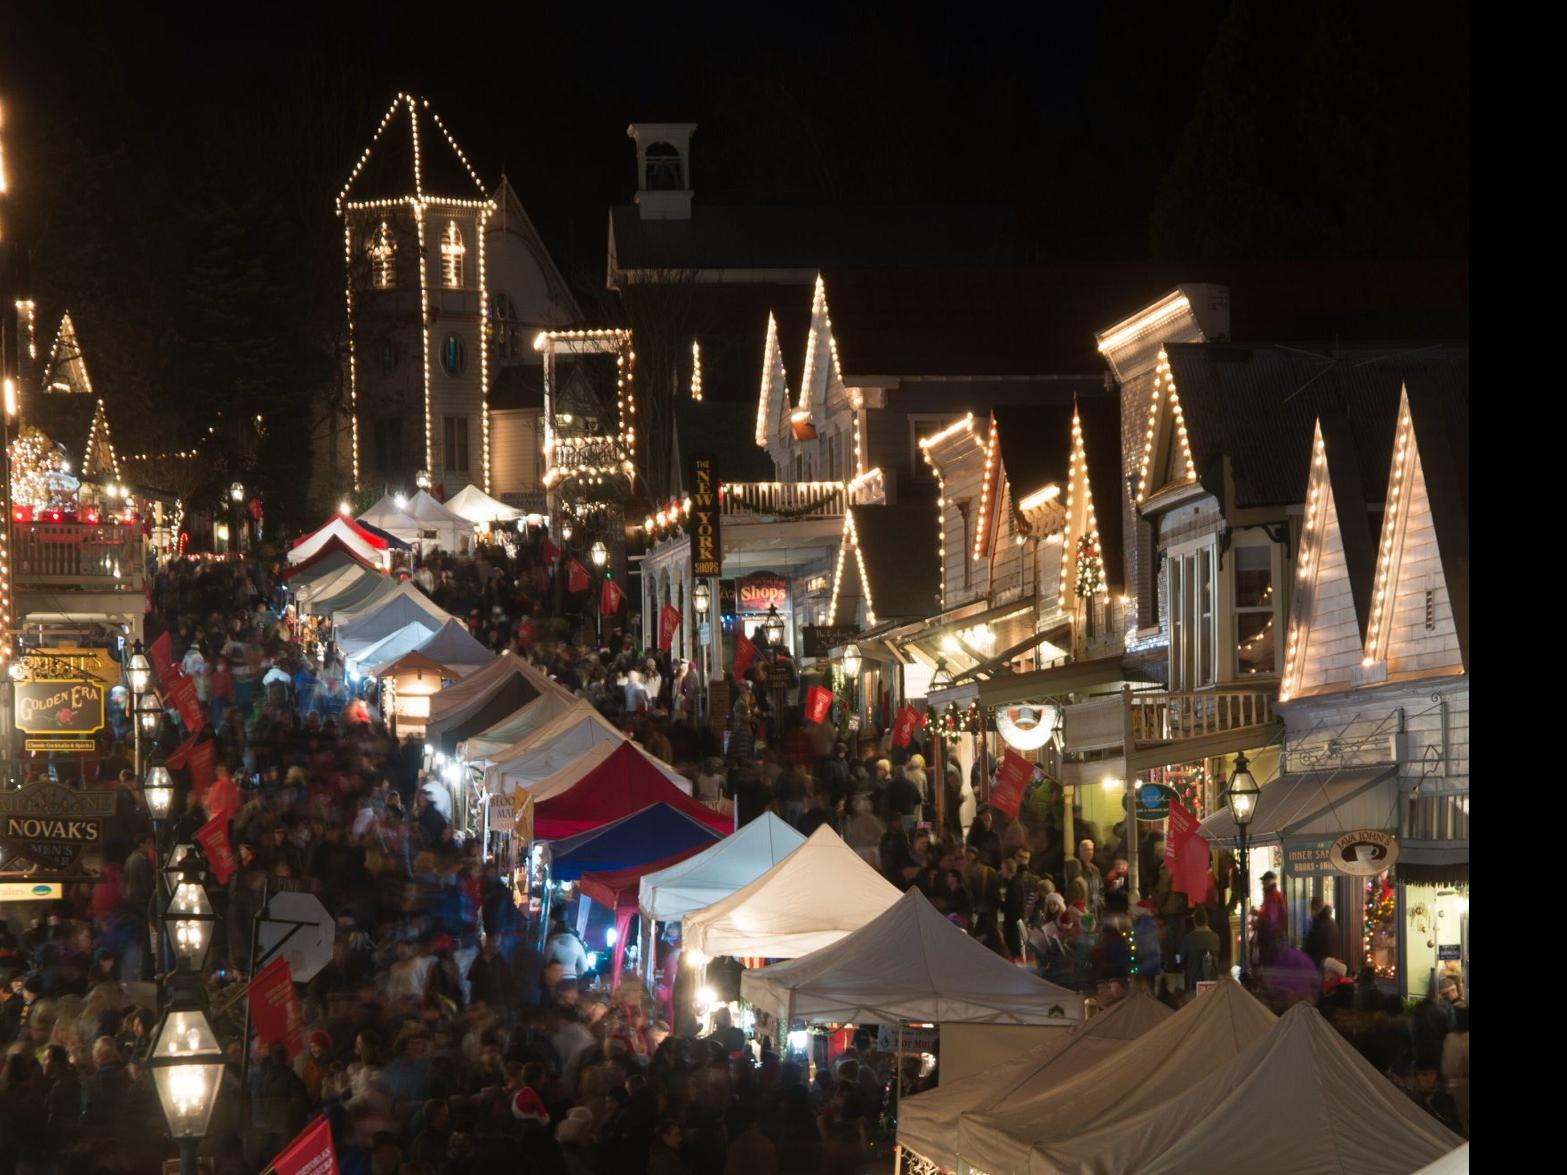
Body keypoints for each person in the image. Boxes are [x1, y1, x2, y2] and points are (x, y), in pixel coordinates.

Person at [1179, 906, 1222, 988]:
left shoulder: (1188, 938)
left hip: (1193, 982)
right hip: (1212, 982)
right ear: (1207, 920)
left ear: (1194, 921)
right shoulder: (1216, 937)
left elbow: (1181, 959)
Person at [1304, 895, 1338, 972]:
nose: (1310, 913)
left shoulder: (1319, 925)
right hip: (1329, 965)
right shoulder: (1331, 922)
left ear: (1314, 910)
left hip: (1320, 966)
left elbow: (1310, 948)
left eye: (1311, 910)